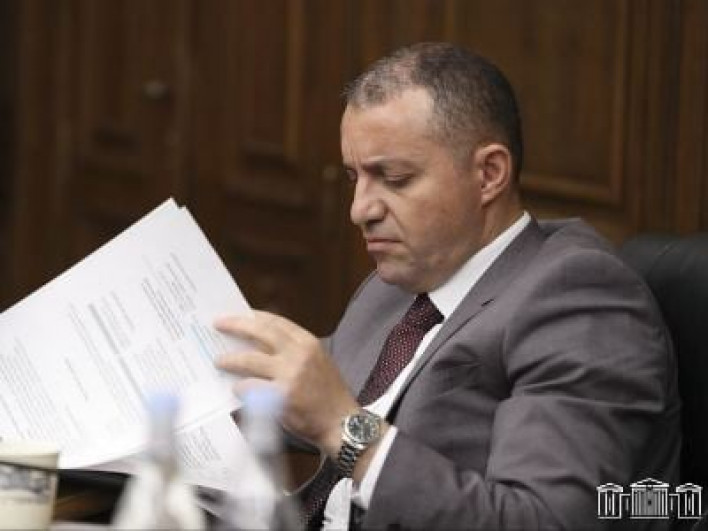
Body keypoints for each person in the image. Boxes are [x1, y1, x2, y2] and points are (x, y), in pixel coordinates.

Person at [214, 42, 680, 530]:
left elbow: (543, 519)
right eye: (355, 177)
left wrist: (343, 428)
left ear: (489, 174)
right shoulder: (400, 279)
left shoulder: (579, 298)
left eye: (394, 178)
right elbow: (304, 395)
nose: (360, 210)